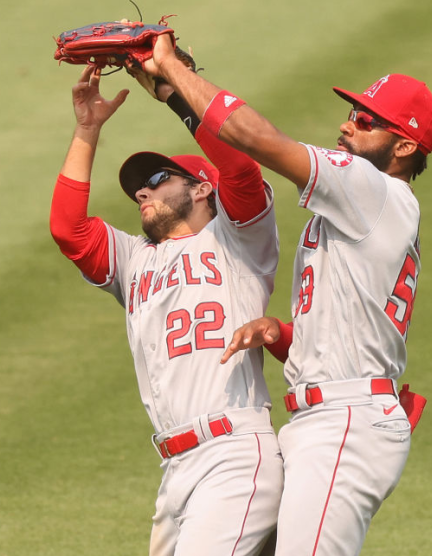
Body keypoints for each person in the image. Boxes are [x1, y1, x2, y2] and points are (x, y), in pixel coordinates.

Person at [142, 35, 432, 555]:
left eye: (367, 121)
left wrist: (176, 75)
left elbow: (253, 139)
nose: (348, 123)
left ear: (405, 147)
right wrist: (281, 335)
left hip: (345, 426)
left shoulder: (371, 190)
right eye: (352, 111)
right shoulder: (359, 209)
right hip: (327, 420)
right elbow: (350, 327)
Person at [49, 64, 283, 556]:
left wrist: (177, 94)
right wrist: (87, 130)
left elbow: (240, 170)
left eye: (156, 180)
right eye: (138, 188)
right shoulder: (134, 259)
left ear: (201, 188)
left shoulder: (239, 240)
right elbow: (68, 229)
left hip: (234, 455)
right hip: (175, 470)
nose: (142, 192)